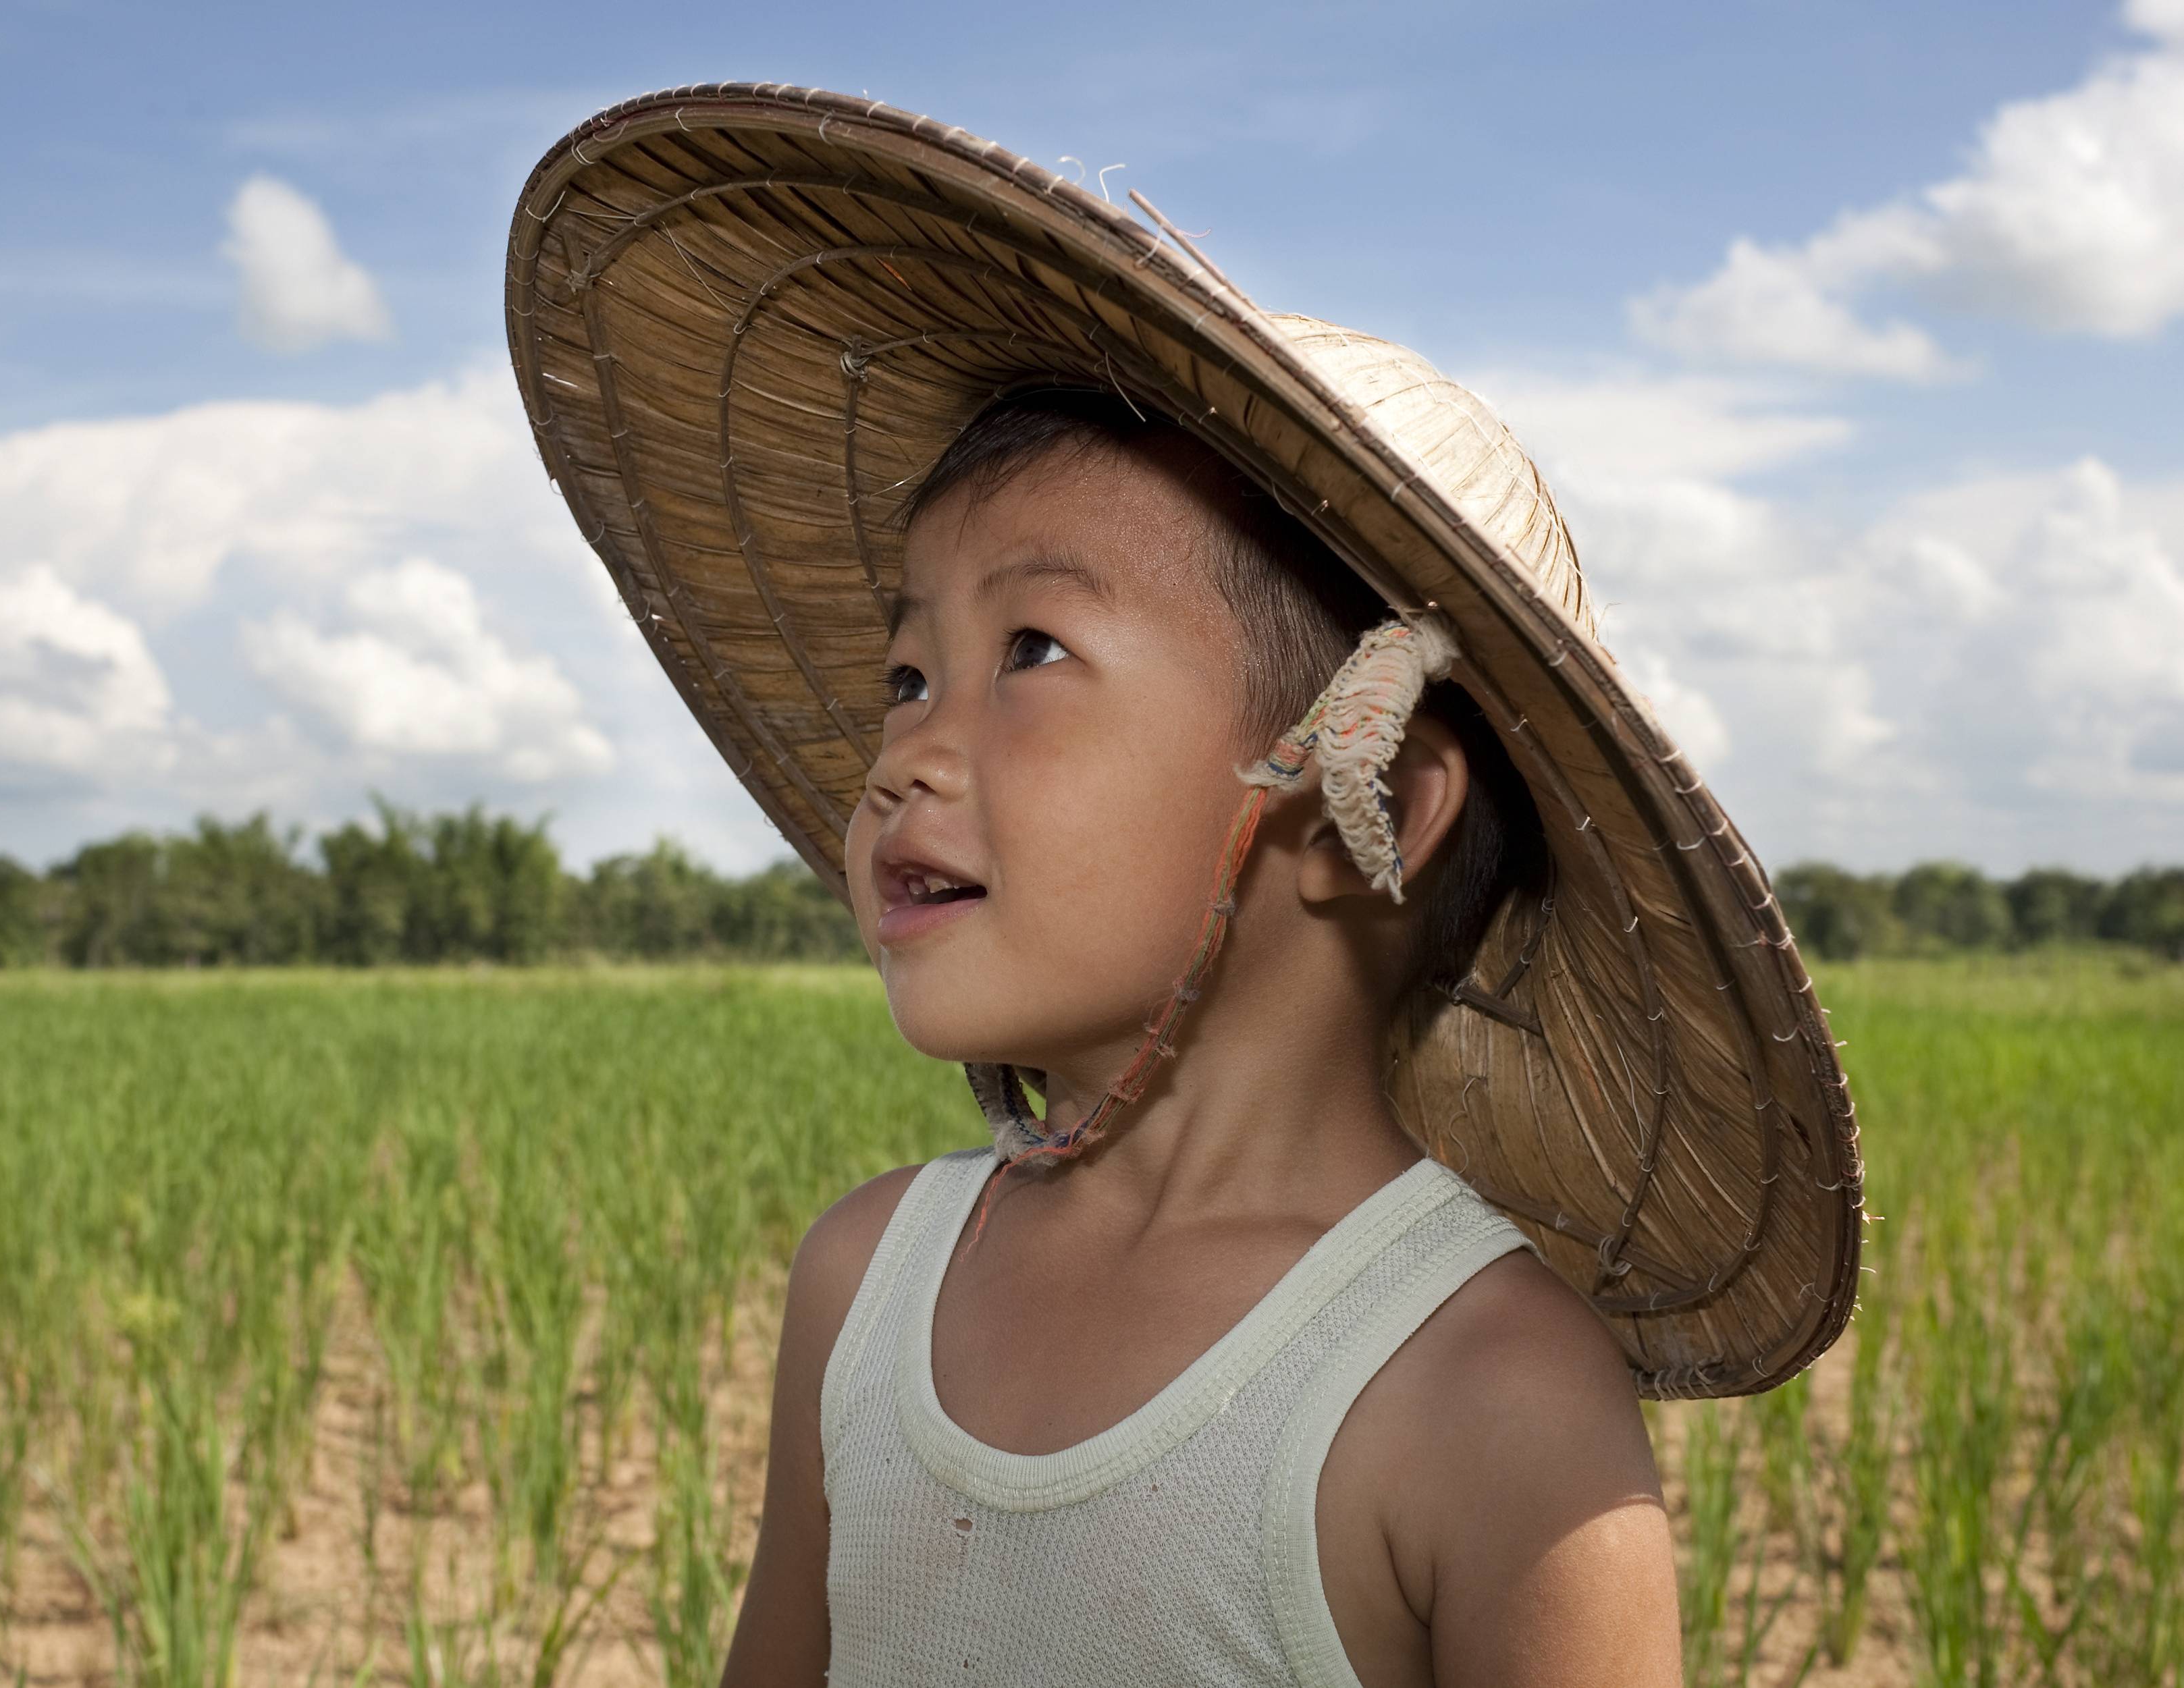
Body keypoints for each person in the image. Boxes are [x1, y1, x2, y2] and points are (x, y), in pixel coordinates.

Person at [506, 85, 1862, 1688]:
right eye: (901, 674)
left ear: (1366, 798)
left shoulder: (1485, 1397)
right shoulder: (867, 1282)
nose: (899, 763)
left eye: (1028, 653)